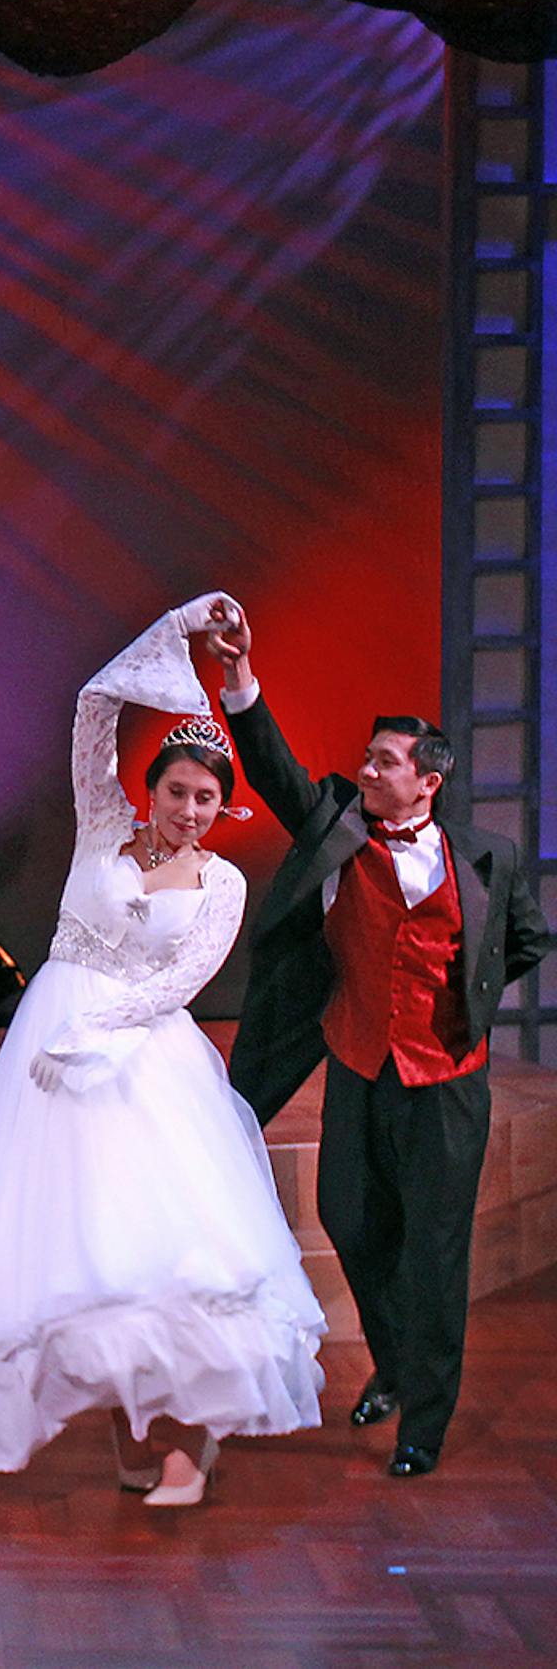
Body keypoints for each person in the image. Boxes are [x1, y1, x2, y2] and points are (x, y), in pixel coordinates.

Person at [0, 596, 325, 1507]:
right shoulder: (102, 827)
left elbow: (186, 976)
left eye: (207, 797)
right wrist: (185, 628)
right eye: (177, 791)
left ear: (223, 804)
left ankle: (192, 1449)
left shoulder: (223, 881)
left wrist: (101, 1029)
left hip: (143, 1058)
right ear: (151, 787)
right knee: (84, 1253)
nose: (191, 810)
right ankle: (132, 1433)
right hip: (51, 1056)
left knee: (166, 1251)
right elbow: (92, 709)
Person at [210, 606, 552, 1477]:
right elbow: (278, 770)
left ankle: (423, 1422)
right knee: (351, 1219)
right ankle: (395, 1367)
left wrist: (467, 1002)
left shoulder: (487, 856)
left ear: (428, 781)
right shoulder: (337, 822)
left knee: (436, 1250)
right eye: (367, 757)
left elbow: (525, 938)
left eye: (385, 762)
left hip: (446, 1083)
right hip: (359, 1063)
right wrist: (242, 680)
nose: (366, 769)